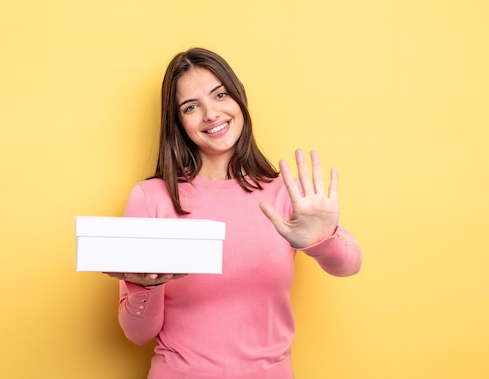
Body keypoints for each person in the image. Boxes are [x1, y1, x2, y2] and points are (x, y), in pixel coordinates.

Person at [104, 47, 362, 379]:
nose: (211, 114)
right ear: (178, 122)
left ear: (238, 99)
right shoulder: (151, 198)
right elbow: (137, 334)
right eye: (192, 107)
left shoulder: (286, 193)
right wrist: (146, 287)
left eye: (220, 94)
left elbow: (350, 265)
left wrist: (323, 239)